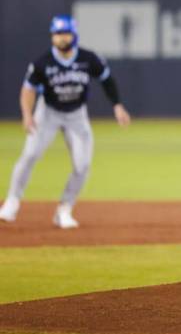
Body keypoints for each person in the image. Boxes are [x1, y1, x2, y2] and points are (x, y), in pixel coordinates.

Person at [0, 15, 131, 228]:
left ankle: (64, 209)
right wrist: (27, 114)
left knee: (83, 165)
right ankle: (12, 202)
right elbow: (28, 90)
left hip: (77, 115)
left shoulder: (88, 59)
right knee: (30, 154)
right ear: (52, 36)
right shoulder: (42, 63)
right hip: (48, 113)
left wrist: (117, 105)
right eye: (58, 34)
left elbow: (106, 79)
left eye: (66, 33)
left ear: (74, 35)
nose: (62, 38)